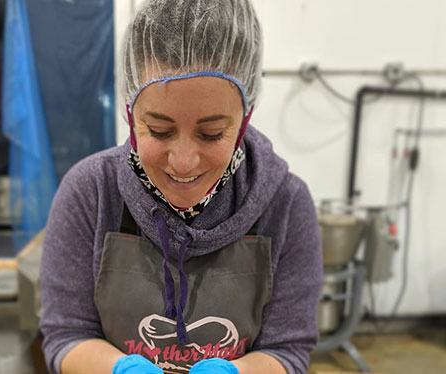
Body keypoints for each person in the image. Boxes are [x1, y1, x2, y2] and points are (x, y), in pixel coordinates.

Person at [40, 0, 323, 373]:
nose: (184, 161)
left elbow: (288, 350)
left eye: (211, 133)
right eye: (159, 130)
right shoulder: (90, 193)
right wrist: (120, 369)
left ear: (245, 118)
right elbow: (67, 336)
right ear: (130, 114)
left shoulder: (286, 204)